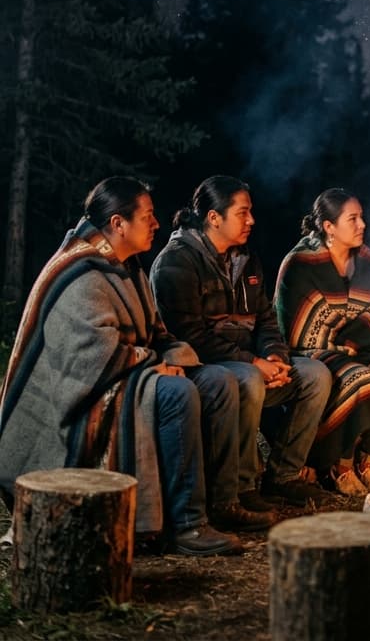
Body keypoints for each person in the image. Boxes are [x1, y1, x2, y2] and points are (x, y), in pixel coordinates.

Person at [0, 177, 249, 556]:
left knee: (218, 381)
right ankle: (186, 525)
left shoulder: (127, 266)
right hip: (76, 401)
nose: (156, 224)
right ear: (118, 224)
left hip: (125, 373)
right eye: (147, 217)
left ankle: (221, 503)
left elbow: (155, 333)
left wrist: (171, 357)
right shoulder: (79, 272)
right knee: (175, 392)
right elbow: (91, 358)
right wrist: (154, 366)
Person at [150, 175, 332, 510]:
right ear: (214, 218)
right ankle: (243, 486)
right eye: (243, 213)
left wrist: (275, 357)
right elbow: (190, 337)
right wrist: (253, 363)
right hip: (206, 369)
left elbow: (265, 318)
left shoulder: (245, 257)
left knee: (315, 374)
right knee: (248, 380)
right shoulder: (177, 262)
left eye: (251, 212)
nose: (252, 220)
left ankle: (283, 475)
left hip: (252, 362)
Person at [274, 188, 370, 497]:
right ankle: (338, 465)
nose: (362, 225)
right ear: (329, 226)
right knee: (356, 379)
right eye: (352, 219)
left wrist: (362, 343)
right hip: (312, 351)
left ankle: (367, 462)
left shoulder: (367, 260)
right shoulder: (301, 264)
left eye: (362, 217)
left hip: (360, 347)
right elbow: (299, 330)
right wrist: (346, 345)